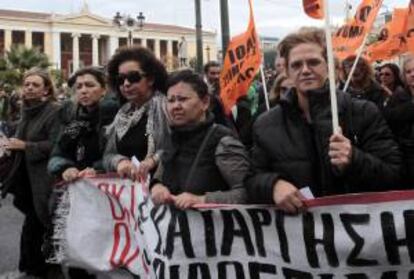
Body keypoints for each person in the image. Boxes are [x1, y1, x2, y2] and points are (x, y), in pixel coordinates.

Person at [246, 28, 401, 213]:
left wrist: (354, 159)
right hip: (300, 234)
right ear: (286, 71)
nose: (305, 70)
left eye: (313, 62)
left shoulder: (363, 112)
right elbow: (251, 179)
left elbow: (395, 175)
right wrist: (272, 186)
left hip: (357, 230)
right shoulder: (266, 124)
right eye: (296, 65)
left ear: (328, 66)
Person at [151, 70, 249, 208]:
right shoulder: (172, 137)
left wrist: (202, 200)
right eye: (171, 100)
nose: (175, 106)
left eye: (182, 99)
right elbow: (159, 177)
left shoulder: (223, 142)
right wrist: (157, 187)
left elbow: (247, 192)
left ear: (205, 102)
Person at [3, 67, 61, 278]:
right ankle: (30, 269)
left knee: (42, 227)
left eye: (35, 85)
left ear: (46, 90)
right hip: (26, 179)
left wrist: (25, 146)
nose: (29, 88)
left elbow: (57, 144)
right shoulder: (26, 111)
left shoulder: (54, 111)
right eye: (27, 84)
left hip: (45, 180)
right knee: (32, 226)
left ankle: (41, 270)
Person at [103, 47, 170, 181]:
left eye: (133, 77)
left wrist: (153, 160)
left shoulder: (166, 107)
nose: (126, 84)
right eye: (120, 79)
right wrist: (120, 162)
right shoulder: (122, 113)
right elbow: (108, 155)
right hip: (128, 192)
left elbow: (176, 146)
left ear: (150, 79)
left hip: (160, 188)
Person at [48, 67, 118, 183]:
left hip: (111, 187)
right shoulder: (75, 122)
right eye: (79, 87)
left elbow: (122, 154)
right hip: (80, 188)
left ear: (104, 90)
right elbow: (57, 154)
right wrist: (66, 168)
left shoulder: (116, 117)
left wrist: (97, 169)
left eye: (90, 85)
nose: (83, 91)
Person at [383, 55, 414, 188]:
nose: (413, 74)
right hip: (407, 159)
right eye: (408, 72)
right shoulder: (397, 98)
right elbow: (390, 119)